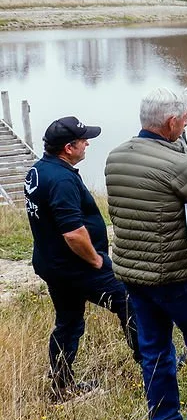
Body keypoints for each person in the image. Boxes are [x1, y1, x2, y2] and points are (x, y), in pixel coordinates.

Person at [105, 88, 187, 420]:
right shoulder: (179, 164)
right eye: (185, 118)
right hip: (176, 275)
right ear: (172, 123)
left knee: (155, 350)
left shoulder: (115, 157)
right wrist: (185, 154)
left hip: (132, 274)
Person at [24, 116, 140, 402]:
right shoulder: (62, 179)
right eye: (83, 140)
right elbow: (73, 233)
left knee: (68, 321)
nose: (87, 143)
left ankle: (62, 386)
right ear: (68, 148)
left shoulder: (38, 170)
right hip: (77, 267)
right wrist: (96, 261)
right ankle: (154, 364)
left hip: (53, 264)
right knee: (129, 301)